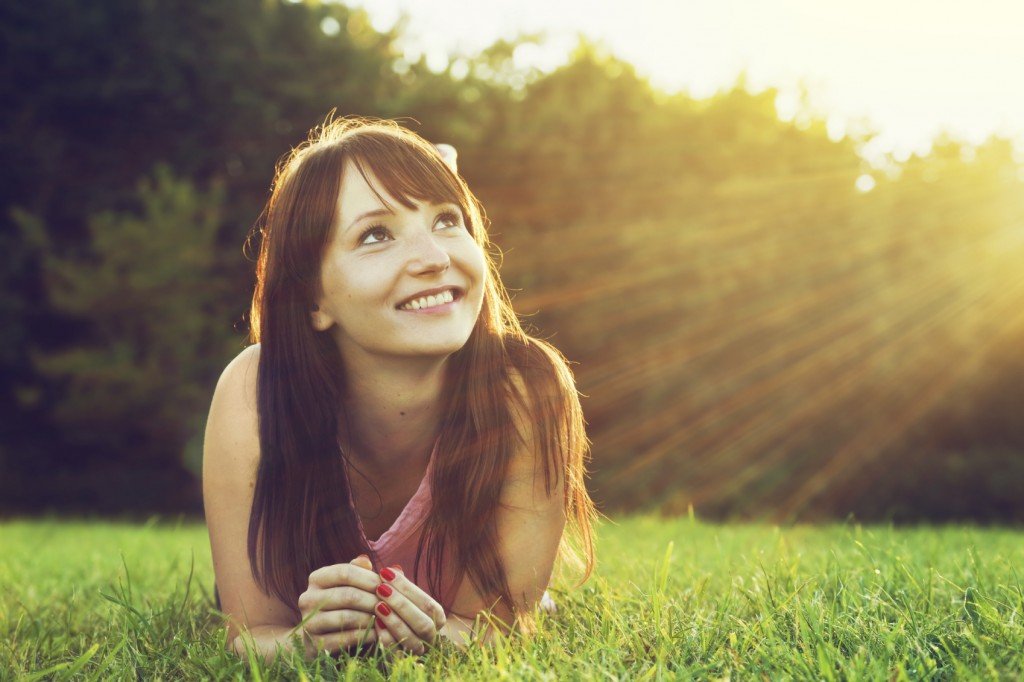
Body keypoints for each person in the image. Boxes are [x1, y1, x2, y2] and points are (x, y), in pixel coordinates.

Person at [202, 116, 596, 662]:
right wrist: (302, 644)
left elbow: (499, 630)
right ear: (314, 298)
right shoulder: (253, 392)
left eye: (446, 220)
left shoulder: (525, 391)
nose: (435, 259)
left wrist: (437, 637)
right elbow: (250, 638)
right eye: (375, 235)